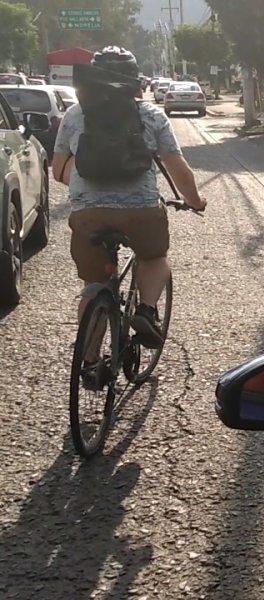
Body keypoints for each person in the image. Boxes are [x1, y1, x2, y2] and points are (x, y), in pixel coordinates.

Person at [52, 47, 206, 373]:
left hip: (88, 215)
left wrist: (87, 193)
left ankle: (90, 362)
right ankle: (147, 311)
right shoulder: (151, 116)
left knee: (94, 284)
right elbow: (178, 171)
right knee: (154, 257)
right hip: (141, 211)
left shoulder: (75, 115)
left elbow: (58, 170)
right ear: (135, 82)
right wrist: (194, 200)